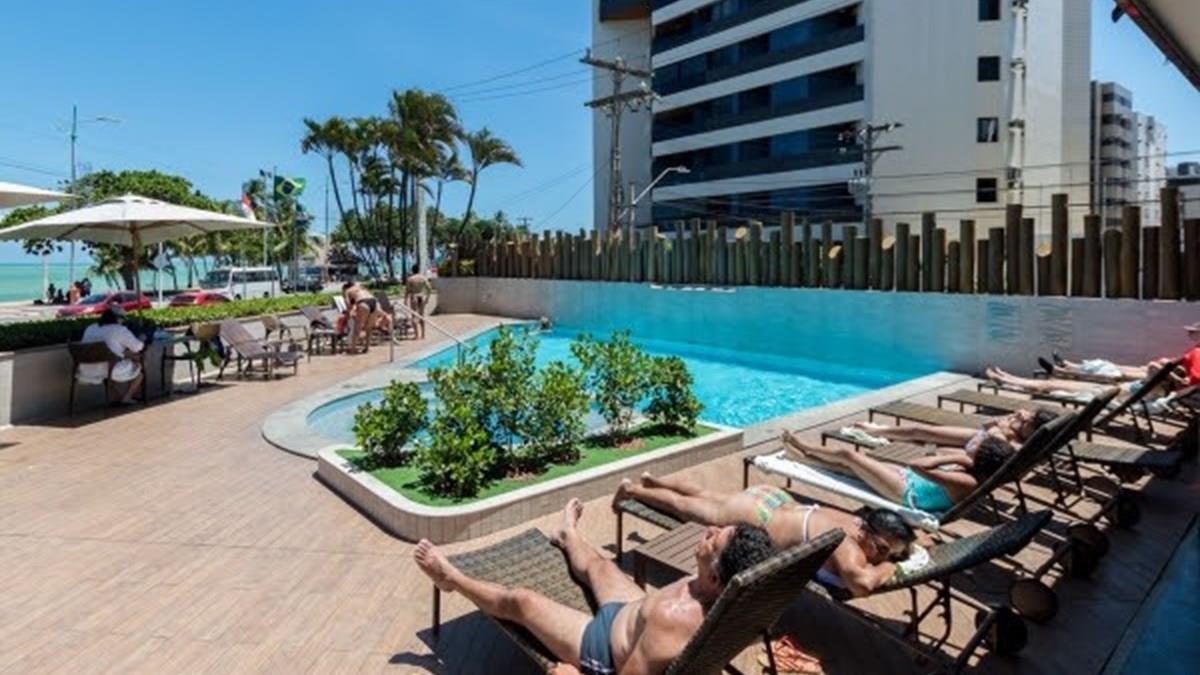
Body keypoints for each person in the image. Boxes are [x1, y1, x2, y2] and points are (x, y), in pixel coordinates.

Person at [415, 498, 778, 675]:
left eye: (715, 539)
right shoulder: (731, 596)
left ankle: (451, 579)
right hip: (634, 614)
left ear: (715, 577)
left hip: (603, 646)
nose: (710, 530)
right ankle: (568, 535)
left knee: (522, 601)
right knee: (601, 565)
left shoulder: (674, 618)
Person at [613, 473, 916, 597]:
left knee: (707, 495)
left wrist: (907, 548)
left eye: (890, 553)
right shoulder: (847, 546)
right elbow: (862, 585)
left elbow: (912, 539)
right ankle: (633, 490)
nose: (882, 555)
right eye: (881, 548)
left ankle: (654, 479)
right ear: (867, 533)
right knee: (684, 508)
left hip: (772, 499)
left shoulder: (856, 520)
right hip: (757, 516)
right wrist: (892, 567)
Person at [782, 431, 1015, 515]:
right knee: (851, 467)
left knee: (848, 455)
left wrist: (957, 458)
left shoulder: (967, 480)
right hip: (910, 480)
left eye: (979, 446)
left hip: (907, 493)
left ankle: (804, 446)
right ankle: (800, 458)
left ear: (981, 458)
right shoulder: (974, 472)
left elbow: (916, 465)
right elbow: (932, 457)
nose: (975, 442)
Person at [852, 407, 1057, 452]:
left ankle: (876, 431)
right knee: (922, 435)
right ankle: (886, 431)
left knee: (920, 432)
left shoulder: (1019, 446)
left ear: (1034, 431)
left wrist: (1000, 426)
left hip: (974, 444)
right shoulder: (1030, 442)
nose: (1023, 419)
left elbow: (989, 425)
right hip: (976, 440)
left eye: (1028, 422)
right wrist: (1011, 423)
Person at [77, 306, 144, 405]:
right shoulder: (119, 329)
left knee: (114, 363)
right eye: (123, 318)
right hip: (109, 368)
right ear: (118, 318)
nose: (123, 321)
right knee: (138, 368)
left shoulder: (90, 328)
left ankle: (117, 397)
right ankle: (127, 397)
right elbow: (138, 347)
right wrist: (142, 339)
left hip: (86, 370)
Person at [341, 281, 386, 352]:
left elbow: (348, 304)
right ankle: (366, 348)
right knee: (369, 328)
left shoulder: (347, 291)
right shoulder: (360, 287)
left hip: (363, 303)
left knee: (357, 328)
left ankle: (352, 349)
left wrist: (349, 313)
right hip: (374, 302)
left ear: (345, 288)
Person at [404, 264, 432, 339]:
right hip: (421, 297)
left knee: (414, 316)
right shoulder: (423, 278)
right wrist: (427, 298)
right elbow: (429, 288)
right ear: (418, 270)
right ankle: (423, 335)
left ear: (412, 270)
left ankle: (416, 335)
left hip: (414, 298)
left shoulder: (410, 279)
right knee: (421, 316)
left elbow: (407, 291)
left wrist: (405, 300)